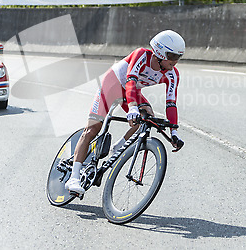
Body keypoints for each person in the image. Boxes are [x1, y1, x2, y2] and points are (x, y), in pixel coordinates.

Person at [65, 30, 186, 194]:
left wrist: (174, 132)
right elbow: (130, 81)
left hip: (131, 92)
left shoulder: (173, 75)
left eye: (178, 57)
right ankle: (73, 178)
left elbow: (171, 104)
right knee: (93, 129)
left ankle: (118, 147)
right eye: (171, 56)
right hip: (113, 84)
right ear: (159, 51)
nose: (175, 61)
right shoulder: (142, 55)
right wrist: (133, 107)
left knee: (147, 118)